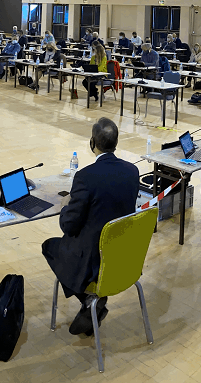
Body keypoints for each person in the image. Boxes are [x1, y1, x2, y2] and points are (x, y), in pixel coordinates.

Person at [42, 118, 137, 336]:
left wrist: (66, 207)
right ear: (116, 142)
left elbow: (69, 226)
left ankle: (88, 300)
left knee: (50, 247)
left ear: (92, 143)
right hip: (122, 255)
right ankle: (91, 305)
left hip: (93, 258)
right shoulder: (131, 171)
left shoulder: (85, 177)